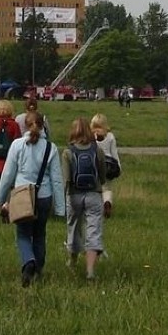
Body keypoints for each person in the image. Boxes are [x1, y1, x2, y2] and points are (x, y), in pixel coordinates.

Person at [0, 111, 65, 287]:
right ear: (43, 126)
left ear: (25, 126)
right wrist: (60, 208)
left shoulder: (17, 145)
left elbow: (7, 175)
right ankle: (39, 268)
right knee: (40, 233)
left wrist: (1, 199)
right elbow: (57, 179)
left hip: (22, 196)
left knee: (23, 233)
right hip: (44, 196)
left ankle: (28, 261)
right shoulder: (51, 148)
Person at [61, 117, 107, 281]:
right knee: (93, 230)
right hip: (94, 194)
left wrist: (63, 200)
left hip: (74, 195)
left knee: (73, 228)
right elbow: (103, 176)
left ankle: (72, 261)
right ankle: (90, 271)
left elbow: (66, 179)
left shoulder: (68, 152)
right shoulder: (97, 150)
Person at [90, 113, 120, 218]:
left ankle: (97, 206)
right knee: (107, 188)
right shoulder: (110, 137)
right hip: (108, 166)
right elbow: (114, 153)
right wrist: (118, 166)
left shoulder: (92, 138)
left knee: (96, 188)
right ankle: (107, 202)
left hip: (95, 165)